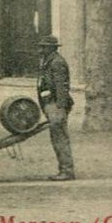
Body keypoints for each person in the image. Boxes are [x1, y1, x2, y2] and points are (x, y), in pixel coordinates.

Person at [36, 34, 75, 181]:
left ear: (51, 48)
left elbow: (61, 86)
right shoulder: (47, 60)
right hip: (50, 103)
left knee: (60, 138)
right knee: (57, 138)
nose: (40, 49)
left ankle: (67, 171)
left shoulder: (57, 62)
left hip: (55, 104)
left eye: (43, 47)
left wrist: (61, 108)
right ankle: (64, 169)